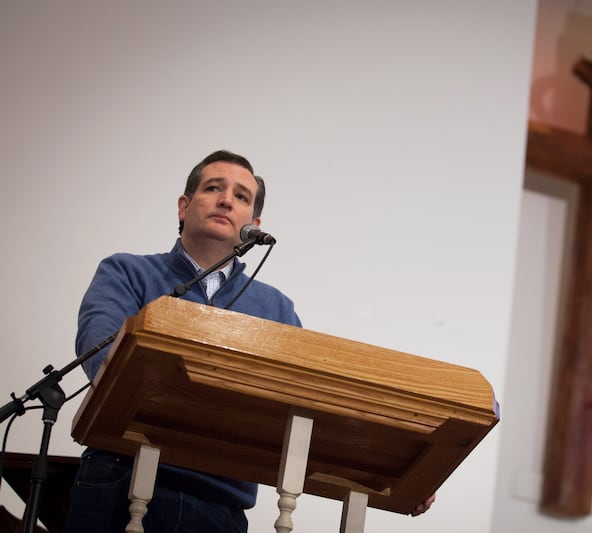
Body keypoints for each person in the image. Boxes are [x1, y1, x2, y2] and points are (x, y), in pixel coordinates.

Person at [63, 150, 434, 532]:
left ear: (253, 224)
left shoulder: (275, 308)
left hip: (220, 503)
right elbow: (102, 355)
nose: (226, 199)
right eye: (213, 188)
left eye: (242, 196)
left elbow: (313, 402)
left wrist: (393, 471)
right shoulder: (127, 271)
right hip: (120, 480)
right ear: (183, 206)